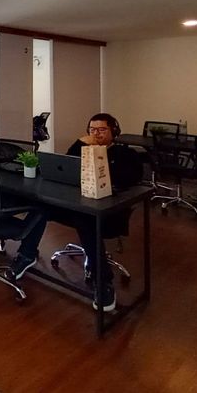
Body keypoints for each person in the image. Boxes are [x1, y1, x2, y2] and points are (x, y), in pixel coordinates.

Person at [64, 113, 141, 312]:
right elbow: (66, 166)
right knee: (42, 207)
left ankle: (104, 281)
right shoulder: (83, 149)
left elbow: (131, 178)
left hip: (111, 210)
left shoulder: (126, 154)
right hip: (80, 204)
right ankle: (26, 256)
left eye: (102, 129)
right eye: (92, 130)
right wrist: (80, 143)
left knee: (85, 220)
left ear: (114, 131)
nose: (96, 134)